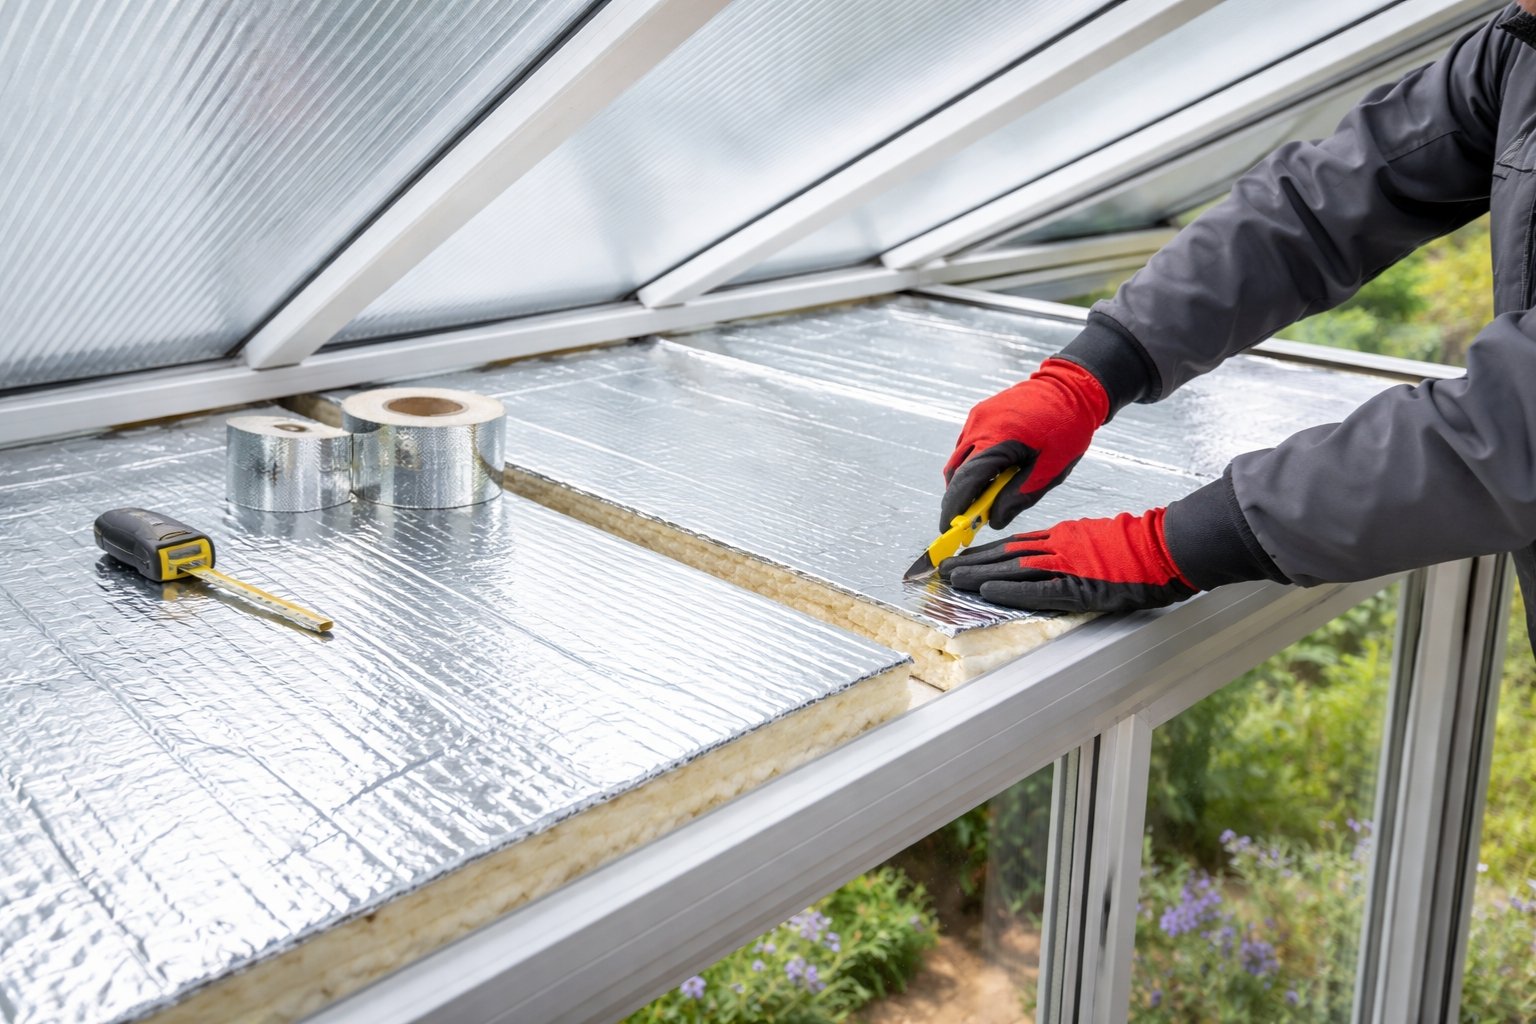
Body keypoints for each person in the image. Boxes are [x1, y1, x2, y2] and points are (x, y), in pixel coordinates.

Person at [938, 2, 1536, 651]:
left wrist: (1185, 541)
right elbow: (1320, 205)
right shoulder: (1520, 46)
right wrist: (1090, 373)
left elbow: (1516, 426)